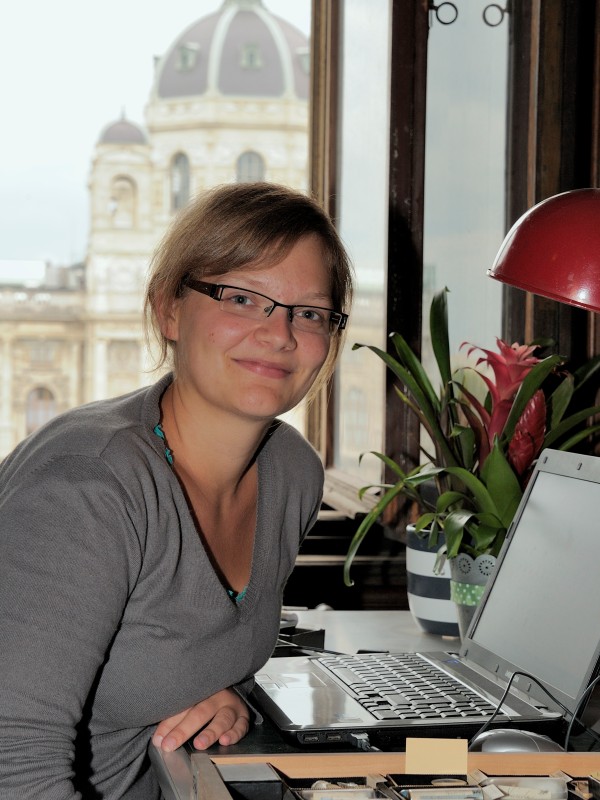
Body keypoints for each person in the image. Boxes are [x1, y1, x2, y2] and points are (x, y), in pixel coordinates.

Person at [0, 182, 353, 799]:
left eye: (311, 312)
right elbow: (14, 757)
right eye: (242, 298)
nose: (279, 334)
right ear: (169, 309)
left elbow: (185, 646)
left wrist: (228, 696)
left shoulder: (292, 472)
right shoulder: (88, 484)